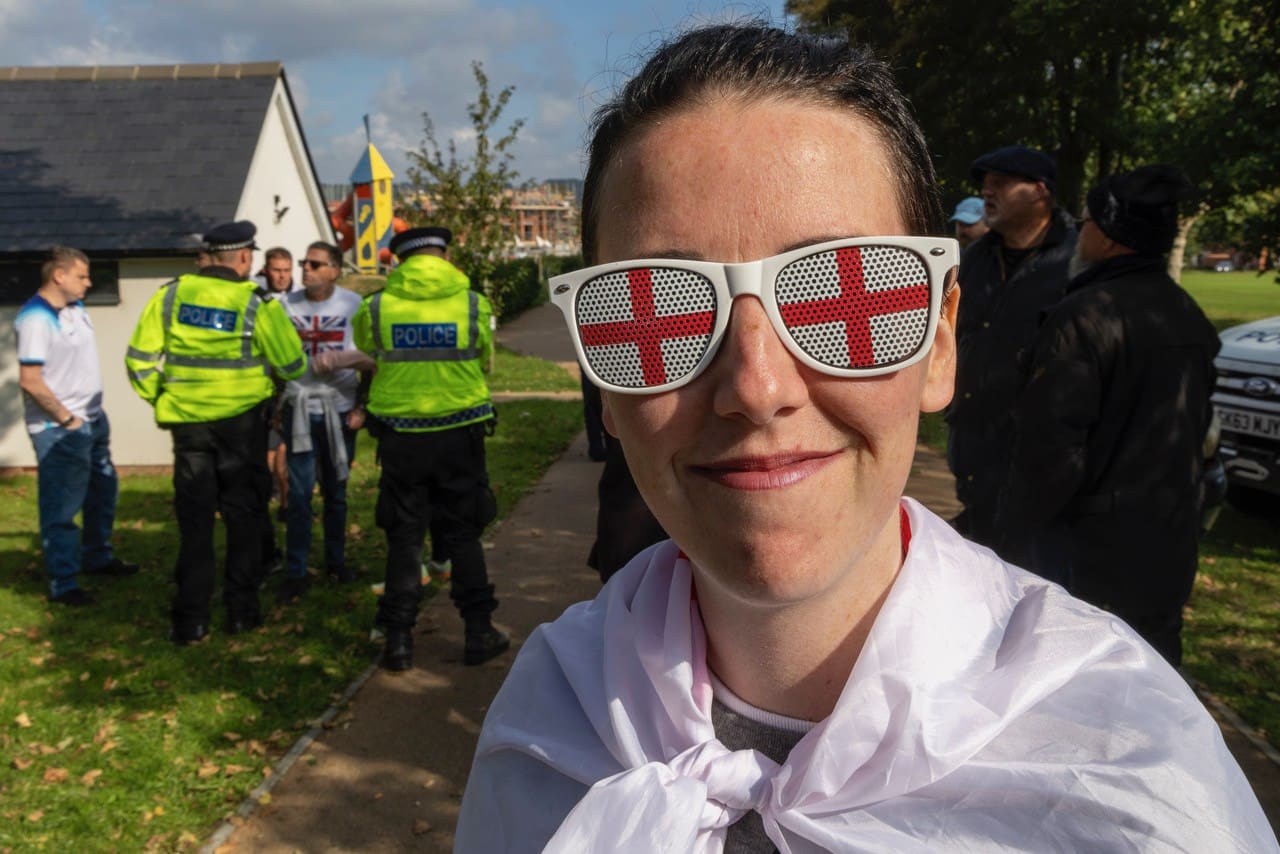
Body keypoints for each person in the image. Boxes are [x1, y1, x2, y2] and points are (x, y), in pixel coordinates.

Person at [455, 24, 1277, 852]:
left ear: (940, 346)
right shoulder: (548, 720)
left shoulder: (1129, 779)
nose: (757, 389)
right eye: (655, 308)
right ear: (602, 382)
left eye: (844, 293)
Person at [994, 165, 1220, 666]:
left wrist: (1008, 544)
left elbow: (1050, 453)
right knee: (1151, 686)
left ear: (1113, 235)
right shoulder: (1186, 313)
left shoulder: (1084, 317)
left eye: (1089, 221)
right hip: (1166, 552)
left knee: (1072, 690)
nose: (1082, 232)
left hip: (1088, 566)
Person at [125, 221, 306, 644]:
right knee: (244, 518)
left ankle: (191, 620)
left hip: (188, 427)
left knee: (195, 522)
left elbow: (138, 362)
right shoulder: (257, 304)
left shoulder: (170, 296)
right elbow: (294, 364)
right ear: (243, 258)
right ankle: (241, 612)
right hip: (242, 428)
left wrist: (165, 398)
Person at [353, 226, 509, 672]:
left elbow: (366, 346)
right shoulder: (472, 303)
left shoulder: (376, 306)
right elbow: (482, 353)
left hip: (400, 435)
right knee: (463, 534)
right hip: (460, 433)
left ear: (399, 261)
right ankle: (478, 631)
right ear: (444, 256)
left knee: (404, 537)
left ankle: (397, 640)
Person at [945, 144, 1078, 549]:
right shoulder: (975, 259)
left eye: (1001, 183)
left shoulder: (1076, 261)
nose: (987, 192)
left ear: (1039, 190)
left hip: (1043, 467)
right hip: (975, 451)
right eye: (985, 184)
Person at [16, 246, 138, 606]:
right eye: (82, 276)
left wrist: (88, 415)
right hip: (60, 429)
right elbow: (30, 380)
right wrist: (67, 419)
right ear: (59, 276)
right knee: (62, 506)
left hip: (93, 419)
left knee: (103, 491)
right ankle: (64, 582)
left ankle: (97, 557)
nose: (89, 283)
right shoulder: (36, 319)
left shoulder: (75, 308)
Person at [276, 241, 374, 602]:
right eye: (304, 263)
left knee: (336, 493)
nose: (306, 269)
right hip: (300, 408)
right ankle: (296, 570)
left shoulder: (353, 305)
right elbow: (274, 359)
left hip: (340, 409)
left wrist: (361, 405)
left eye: (315, 264)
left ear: (335, 270)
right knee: (299, 494)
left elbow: (372, 358)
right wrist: (276, 405)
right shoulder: (286, 305)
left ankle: (336, 561)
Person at [259, 246, 295, 577]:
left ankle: (286, 501)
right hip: (264, 383)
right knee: (271, 448)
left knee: (283, 446)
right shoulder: (257, 299)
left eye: (286, 270)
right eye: (276, 270)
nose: (282, 276)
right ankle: (277, 493)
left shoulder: (297, 299)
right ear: (266, 270)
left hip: (290, 383)